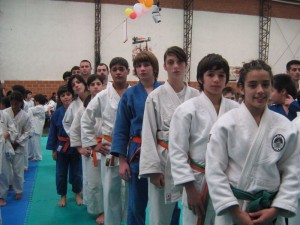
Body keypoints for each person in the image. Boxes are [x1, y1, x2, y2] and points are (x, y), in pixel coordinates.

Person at [206, 59, 299, 225]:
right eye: (253, 85)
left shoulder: (285, 126)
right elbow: (214, 171)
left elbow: (292, 171)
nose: (260, 90)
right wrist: (235, 211)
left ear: (272, 87)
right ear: (241, 88)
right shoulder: (226, 124)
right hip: (234, 210)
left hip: (269, 210)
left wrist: (276, 209)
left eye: (265, 84)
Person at [169, 53, 239, 225]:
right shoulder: (186, 110)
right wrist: (189, 188)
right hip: (197, 181)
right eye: (210, 75)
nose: (216, 80)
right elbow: (177, 152)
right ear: (201, 78)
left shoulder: (236, 110)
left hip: (227, 181)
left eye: (221, 75)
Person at [139, 46, 199, 225]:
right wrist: (153, 170)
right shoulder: (155, 97)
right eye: (171, 62)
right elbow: (148, 134)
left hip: (191, 161)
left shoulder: (196, 96)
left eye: (180, 62)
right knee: (159, 216)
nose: (176, 67)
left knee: (192, 211)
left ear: (186, 65)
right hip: (164, 161)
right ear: (164, 66)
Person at [110, 51, 161, 225]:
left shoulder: (165, 91)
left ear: (154, 68)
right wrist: (122, 161)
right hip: (137, 155)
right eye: (138, 66)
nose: (142, 69)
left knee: (166, 203)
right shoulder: (129, 95)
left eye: (146, 65)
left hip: (162, 153)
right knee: (136, 204)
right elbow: (121, 129)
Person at [81, 57, 131, 225]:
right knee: (110, 189)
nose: (118, 72)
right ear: (110, 72)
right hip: (109, 147)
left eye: (121, 69)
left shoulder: (134, 93)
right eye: (115, 69)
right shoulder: (102, 96)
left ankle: (128, 221)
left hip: (132, 147)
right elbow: (86, 119)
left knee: (131, 190)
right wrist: (94, 144)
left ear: (128, 71)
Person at [69, 74, 104, 224]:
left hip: (108, 149)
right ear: (88, 87)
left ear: (103, 85)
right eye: (93, 84)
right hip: (92, 150)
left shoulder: (111, 104)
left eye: (98, 83)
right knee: (95, 183)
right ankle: (100, 210)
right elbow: (74, 130)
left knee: (111, 183)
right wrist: (79, 148)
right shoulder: (84, 108)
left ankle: (111, 209)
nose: (96, 86)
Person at [46, 85, 83, 207]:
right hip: (61, 146)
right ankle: (63, 196)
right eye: (63, 95)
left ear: (72, 95)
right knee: (61, 173)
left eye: (68, 94)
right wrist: (53, 150)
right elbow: (52, 132)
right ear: (59, 98)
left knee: (77, 173)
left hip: (76, 146)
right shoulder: (56, 113)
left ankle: (77, 193)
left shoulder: (79, 110)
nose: (66, 97)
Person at [4, 91, 31, 200]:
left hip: (19, 146)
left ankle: (18, 190)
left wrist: (18, 142)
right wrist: (8, 141)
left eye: (16, 104)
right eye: (12, 103)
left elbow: (28, 132)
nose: (14, 106)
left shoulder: (25, 116)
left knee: (18, 170)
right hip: (6, 144)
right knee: (5, 169)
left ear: (21, 103)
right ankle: (7, 186)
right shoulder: (5, 113)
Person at [0, 109, 18, 206]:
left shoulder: (4, 115)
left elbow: (13, 129)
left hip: (3, 147)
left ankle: (1, 196)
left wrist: (8, 133)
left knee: (3, 172)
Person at [28, 94, 47, 161]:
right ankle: (31, 155)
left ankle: (38, 157)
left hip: (37, 128)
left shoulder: (39, 107)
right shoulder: (39, 107)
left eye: (34, 100)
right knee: (32, 143)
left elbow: (29, 110)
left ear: (37, 101)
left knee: (36, 144)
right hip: (34, 128)